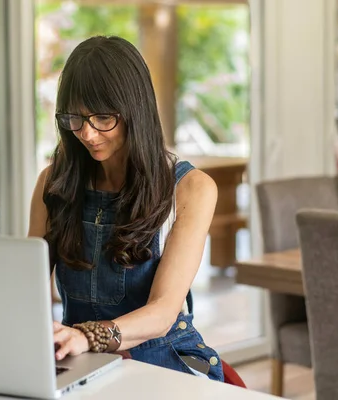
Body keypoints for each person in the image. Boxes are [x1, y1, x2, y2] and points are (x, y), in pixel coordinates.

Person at [27, 35, 223, 381]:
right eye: (75, 118)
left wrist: (87, 336)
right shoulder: (53, 184)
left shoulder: (191, 189)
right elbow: (24, 288)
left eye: (103, 118)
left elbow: (162, 313)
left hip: (167, 361)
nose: (87, 134)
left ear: (135, 111)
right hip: (80, 361)